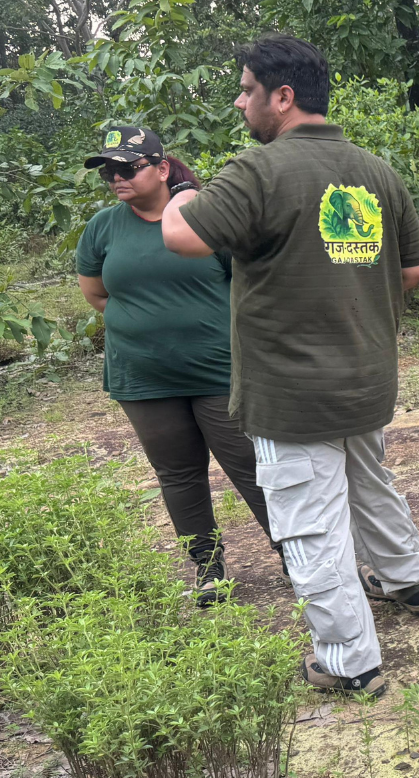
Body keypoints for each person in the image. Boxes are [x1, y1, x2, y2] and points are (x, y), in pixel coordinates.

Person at [161, 34, 419, 699]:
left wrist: (177, 195)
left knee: (309, 525)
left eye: (247, 88)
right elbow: (418, 270)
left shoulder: (260, 170)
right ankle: (409, 583)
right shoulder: (373, 169)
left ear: (282, 97)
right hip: (366, 378)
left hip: (292, 393)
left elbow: (183, 237)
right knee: (371, 484)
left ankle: (348, 662)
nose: (240, 100)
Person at [76, 127, 277, 607]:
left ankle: (300, 558)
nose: (116, 178)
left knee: (252, 468)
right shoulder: (103, 228)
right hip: (143, 379)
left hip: (218, 372)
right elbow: (96, 294)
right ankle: (209, 572)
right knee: (178, 474)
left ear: (162, 169)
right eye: (108, 171)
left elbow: (244, 286)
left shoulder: (205, 219)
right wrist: (150, 327)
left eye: (127, 168)